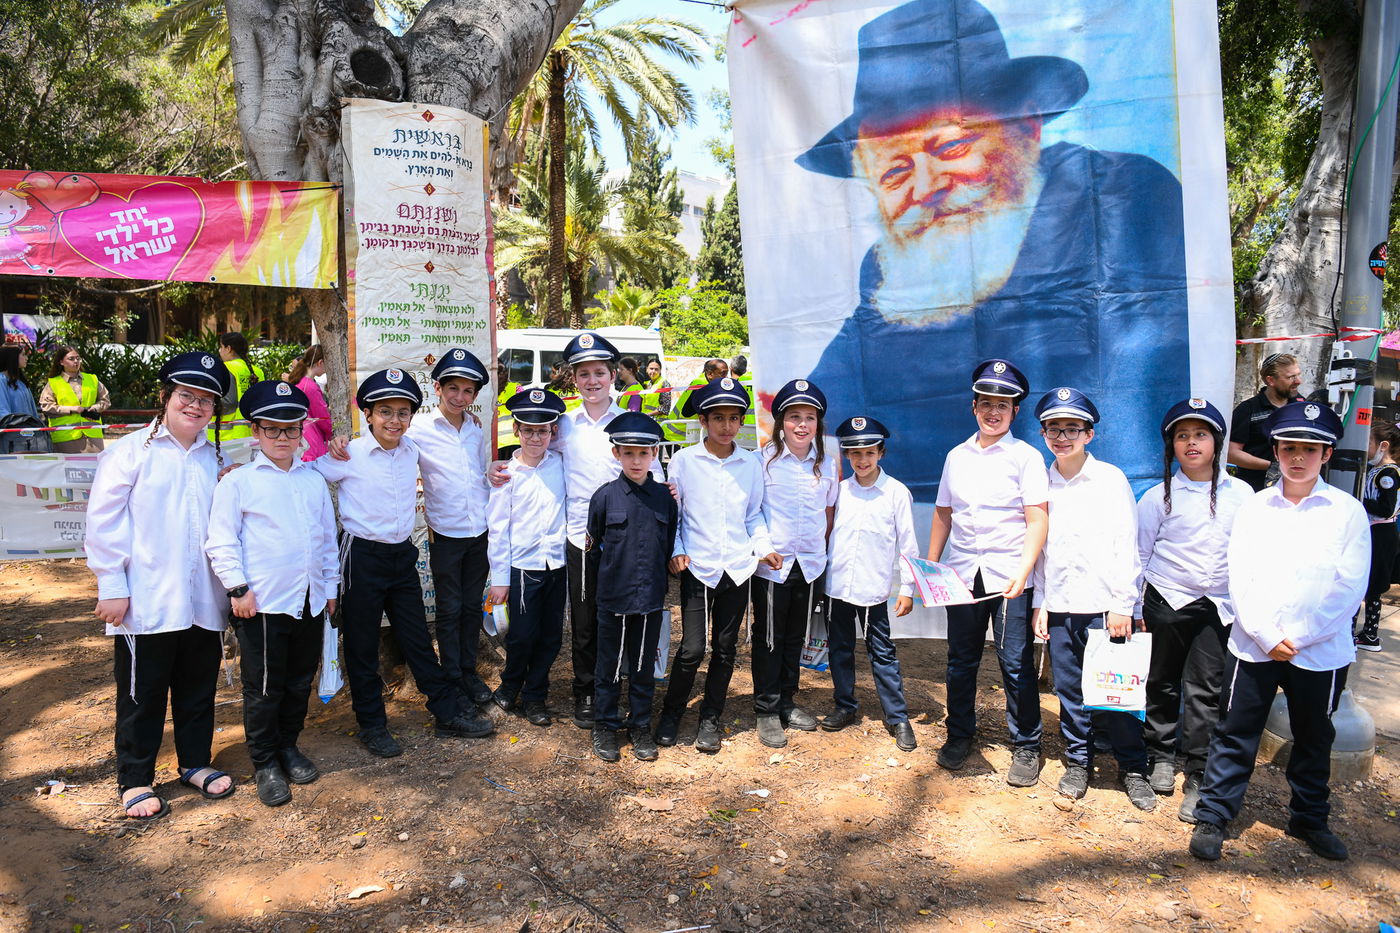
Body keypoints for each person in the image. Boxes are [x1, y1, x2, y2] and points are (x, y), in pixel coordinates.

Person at [799, 0, 1189, 500]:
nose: (927, 186)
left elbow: (1143, 379)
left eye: (951, 149)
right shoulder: (887, 266)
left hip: (1081, 505)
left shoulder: (1117, 196)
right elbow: (829, 398)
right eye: (895, 173)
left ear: (1026, 126)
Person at [1190, 401, 1368, 862]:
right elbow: (1240, 574)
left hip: (1320, 651)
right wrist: (1267, 634)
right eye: (1289, 447)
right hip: (1254, 645)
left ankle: (1310, 819)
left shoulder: (1346, 512)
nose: (1298, 458)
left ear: (1326, 455)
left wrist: (1303, 636)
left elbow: (1350, 585)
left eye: (1310, 449)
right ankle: (1214, 814)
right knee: (1234, 731)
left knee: (1313, 736)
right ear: (1275, 450)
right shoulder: (1255, 508)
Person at [311, 369, 494, 758]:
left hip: (401, 556)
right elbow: (305, 476)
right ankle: (372, 724)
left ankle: (446, 712)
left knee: (416, 640)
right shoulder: (350, 454)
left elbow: (450, 437)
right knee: (361, 645)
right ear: (368, 414)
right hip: (361, 557)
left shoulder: (412, 447)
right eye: (385, 412)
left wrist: (470, 419)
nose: (394, 421)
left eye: (402, 412)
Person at [85, 351, 236, 819]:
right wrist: (112, 583)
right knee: (141, 692)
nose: (196, 406)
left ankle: (194, 763)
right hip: (146, 597)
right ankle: (135, 778)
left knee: (197, 685)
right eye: (186, 395)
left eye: (206, 399)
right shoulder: (130, 452)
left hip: (203, 598)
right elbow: (103, 521)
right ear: (165, 396)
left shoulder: (219, 458)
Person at [488, 333, 663, 731]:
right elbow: (532, 452)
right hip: (581, 538)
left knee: (625, 617)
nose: (593, 380)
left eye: (600, 372)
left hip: (627, 538)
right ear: (574, 377)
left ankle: (620, 687)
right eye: (583, 373)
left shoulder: (630, 421)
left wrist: (667, 487)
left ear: (613, 374)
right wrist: (497, 467)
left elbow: (653, 469)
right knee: (584, 623)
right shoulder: (564, 425)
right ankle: (586, 692)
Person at [204, 380, 339, 807]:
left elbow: (325, 539)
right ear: (256, 432)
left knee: (299, 680)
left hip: (308, 599)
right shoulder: (239, 482)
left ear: (303, 431)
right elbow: (221, 541)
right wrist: (238, 589)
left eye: (291, 429)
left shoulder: (313, 480)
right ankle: (264, 761)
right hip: (261, 603)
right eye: (272, 429)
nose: (283, 438)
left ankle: (288, 746)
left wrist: (330, 587)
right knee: (264, 687)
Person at [1031, 387, 1155, 810]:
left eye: (1072, 429)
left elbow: (1127, 544)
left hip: (1105, 608)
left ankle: (1132, 768)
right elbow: (1042, 549)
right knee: (1070, 692)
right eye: (1053, 429)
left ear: (1090, 434)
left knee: (1117, 692)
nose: (1062, 437)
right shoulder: (1042, 482)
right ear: (1044, 433)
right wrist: (1042, 602)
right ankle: (1077, 763)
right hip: (1063, 606)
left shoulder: (1110, 479)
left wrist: (1125, 604)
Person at [926, 359, 1047, 783]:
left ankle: (1027, 745)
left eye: (1003, 405)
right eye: (985, 403)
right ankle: (959, 735)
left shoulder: (1026, 457)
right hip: (962, 574)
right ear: (973, 406)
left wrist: (1024, 569)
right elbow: (944, 513)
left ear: (1015, 412)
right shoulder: (956, 456)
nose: (993, 412)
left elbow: (1037, 520)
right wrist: (932, 565)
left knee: (1014, 662)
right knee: (961, 660)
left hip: (1010, 574)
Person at [1135, 399, 1253, 820]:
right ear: (1171, 446)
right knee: (1162, 680)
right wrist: (1136, 606)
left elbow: (1250, 555)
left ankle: (1198, 771)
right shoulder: (1157, 497)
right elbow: (1141, 554)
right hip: (1168, 599)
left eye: (1200, 434)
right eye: (1182, 436)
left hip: (1218, 607)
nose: (1191, 443)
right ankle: (1160, 755)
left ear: (1216, 442)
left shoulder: (1242, 494)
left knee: (1206, 691)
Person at [657, 376, 776, 753]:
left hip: (738, 568)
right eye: (718, 418)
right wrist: (676, 551)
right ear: (703, 421)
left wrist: (764, 547)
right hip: (698, 566)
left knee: (726, 649)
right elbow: (674, 513)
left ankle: (711, 717)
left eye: (733, 418)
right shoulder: (684, 461)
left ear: (741, 422)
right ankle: (672, 713)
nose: (726, 426)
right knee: (692, 648)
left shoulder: (750, 464)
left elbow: (754, 514)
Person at [585, 412, 679, 762]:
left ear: (655, 454)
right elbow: (593, 548)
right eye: (628, 453)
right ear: (616, 455)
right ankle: (605, 726)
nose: (636, 460)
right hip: (613, 598)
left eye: (643, 453)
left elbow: (668, 543)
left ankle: (640, 724)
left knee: (642, 666)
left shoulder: (664, 498)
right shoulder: (604, 497)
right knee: (608, 666)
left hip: (650, 598)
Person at [821, 415, 919, 751]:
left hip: (874, 590)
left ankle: (897, 717)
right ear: (846, 456)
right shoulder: (840, 491)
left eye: (869, 453)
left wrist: (907, 589)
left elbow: (908, 546)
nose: (862, 460)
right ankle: (845, 705)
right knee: (840, 649)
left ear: (881, 453)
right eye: (855, 454)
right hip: (837, 588)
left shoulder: (895, 493)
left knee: (883, 653)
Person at [752, 379, 838, 748]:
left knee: (794, 637)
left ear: (818, 424)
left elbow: (829, 512)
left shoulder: (827, 465)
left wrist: (819, 549)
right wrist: (763, 547)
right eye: (794, 417)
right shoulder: (762, 461)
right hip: (774, 564)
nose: (802, 425)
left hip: (811, 564)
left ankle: (787, 700)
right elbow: (751, 512)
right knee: (770, 637)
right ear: (780, 422)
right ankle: (767, 709)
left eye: (810, 418)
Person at [411, 349, 495, 705]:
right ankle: (452, 676)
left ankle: (469, 671)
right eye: (453, 389)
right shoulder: (418, 430)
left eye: (467, 391)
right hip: (445, 534)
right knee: (449, 608)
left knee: (472, 607)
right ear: (437, 389)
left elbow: (479, 474)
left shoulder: (475, 430)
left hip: (479, 531)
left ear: (475, 396)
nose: (460, 397)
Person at [486, 388, 569, 725]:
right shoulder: (506, 474)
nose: (536, 437)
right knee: (521, 635)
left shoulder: (561, 464)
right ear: (517, 430)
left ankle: (535, 696)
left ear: (553, 432)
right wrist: (500, 579)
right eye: (529, 429)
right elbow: (497, 528)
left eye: (544, 430)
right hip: (523, 568)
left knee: (551, 636)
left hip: (557, 565)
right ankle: (510, 685)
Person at [1227, 353, 1305, 491]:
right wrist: (1272, 466)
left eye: (1298, 375)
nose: (1298, 381)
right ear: (1270, 380)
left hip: (1297, 488)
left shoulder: (1303, 406)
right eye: (1290, 377)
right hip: (1255, 489)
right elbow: (1231, 454)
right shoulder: (1248, 410)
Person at [1357, 418, 1400, 652]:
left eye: (1370, 443)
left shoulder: (1388, 474)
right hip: (1376, 531)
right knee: (1369, 584)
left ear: (1383, 445)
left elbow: (1385, 507)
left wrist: (1358, 501)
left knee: (1373, 586)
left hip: (1382, 533)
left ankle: (1370, 635)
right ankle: (1367, 633)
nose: (1367, 448)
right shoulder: (1379, 470)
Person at [40, 345, 110, 453]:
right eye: (71, 359)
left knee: (96, 467)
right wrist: (71, 409)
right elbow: (46, 406)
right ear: (61, 362)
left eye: (78, 358)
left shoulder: (92, 379)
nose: (76, 361)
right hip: (65, 437)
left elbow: (105, 400)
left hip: (93, 435)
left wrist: (95, 408)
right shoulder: (53, 383)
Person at [212, 332, 265, 441]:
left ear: (229, 348)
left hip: (226, 435)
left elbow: (228, 403)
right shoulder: (258, 371)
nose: (219, 351)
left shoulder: (226, 368)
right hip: (251, 434)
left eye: (221, 347)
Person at [286, 345, 333, 461]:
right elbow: (322, 417)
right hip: (311, 441)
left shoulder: (300, 382)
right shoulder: (310, 387)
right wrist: (332, 430)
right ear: (320, 362)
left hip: (301, 436)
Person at [0, 340, 39, 420]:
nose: (27, 358)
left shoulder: (21, 382)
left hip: (29, 429)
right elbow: (2, 411)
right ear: (12, 357)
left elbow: (33, 411)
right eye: (23, 355)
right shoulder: (1, 380)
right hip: (12, 430)